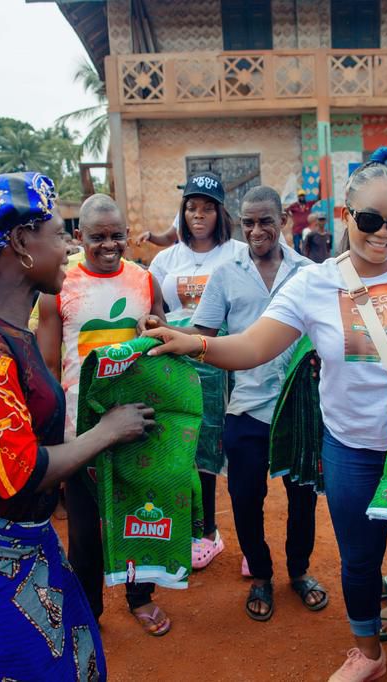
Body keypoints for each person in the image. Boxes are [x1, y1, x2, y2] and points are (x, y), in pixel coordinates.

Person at [145, 160, 387, 682]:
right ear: (345, 215)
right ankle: (368, 653)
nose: (385, 235)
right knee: (359, 559)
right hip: (350, 446)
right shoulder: (315, 284)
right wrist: (196, 343)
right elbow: (254, 344)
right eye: (370, 220)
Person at [0, 172, 154, 679]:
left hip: (23, 544)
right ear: (21, 244)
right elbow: (17, 472)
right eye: (59, 234)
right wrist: (107, 431)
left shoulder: (7, 331)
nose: (68, 247)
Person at [186, 185, 325, 621]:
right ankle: (261, 574)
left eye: (266, 221)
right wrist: (166, 333)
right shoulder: (226, 274)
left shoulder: (310, 273)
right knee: (246, 498)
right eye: (248, 222)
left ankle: (299, 572)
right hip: (244, 406)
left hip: (301, 411)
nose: (257, 230)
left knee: (302, 499)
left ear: (283, 220)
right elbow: (202, 335)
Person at [36, 193, 170, 636]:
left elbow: (159, 341)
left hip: (138, 419)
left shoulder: (145, 280)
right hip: (81, 428)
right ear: (80, 237)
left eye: (116, 236)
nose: (108, 244)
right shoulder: (60, 286)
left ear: (128, 236)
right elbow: (48, 365)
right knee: (85, 532)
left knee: (141, 515)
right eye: (98, 237)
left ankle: (141, 597)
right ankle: (88, 610)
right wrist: (53, 434)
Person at [148, 171, 244, 569]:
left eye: (207, 208)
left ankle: (235, 540)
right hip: (177, 361)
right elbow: (153, 308)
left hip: (224, 362)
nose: (198, 215)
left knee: (230, 451)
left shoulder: (238, 252)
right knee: (183, 446)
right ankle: (197, 530)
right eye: (191, 208)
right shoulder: (166, 259)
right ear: (182, 213)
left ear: (220, 213)